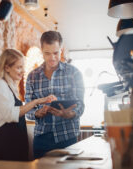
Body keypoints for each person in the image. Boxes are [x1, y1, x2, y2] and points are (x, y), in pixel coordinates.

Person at [0, 49, 56, 161]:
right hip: (3, 148)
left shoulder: (10, 86)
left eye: (23, 67)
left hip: (14, 147)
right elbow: (10, 114)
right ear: (7, 67)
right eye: (19, 67)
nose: (23, 71)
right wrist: (36, 101)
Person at [25, 31, 85, 159]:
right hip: (41, 139)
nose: (52, 57)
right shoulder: (32, 77)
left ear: (61, 50)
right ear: (42, 51)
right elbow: (28, 108)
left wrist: (71, 114)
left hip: (67, 137)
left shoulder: (74, 73)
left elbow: (80, 104)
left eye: (56, 53)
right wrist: (36, 113)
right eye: (47, 53)